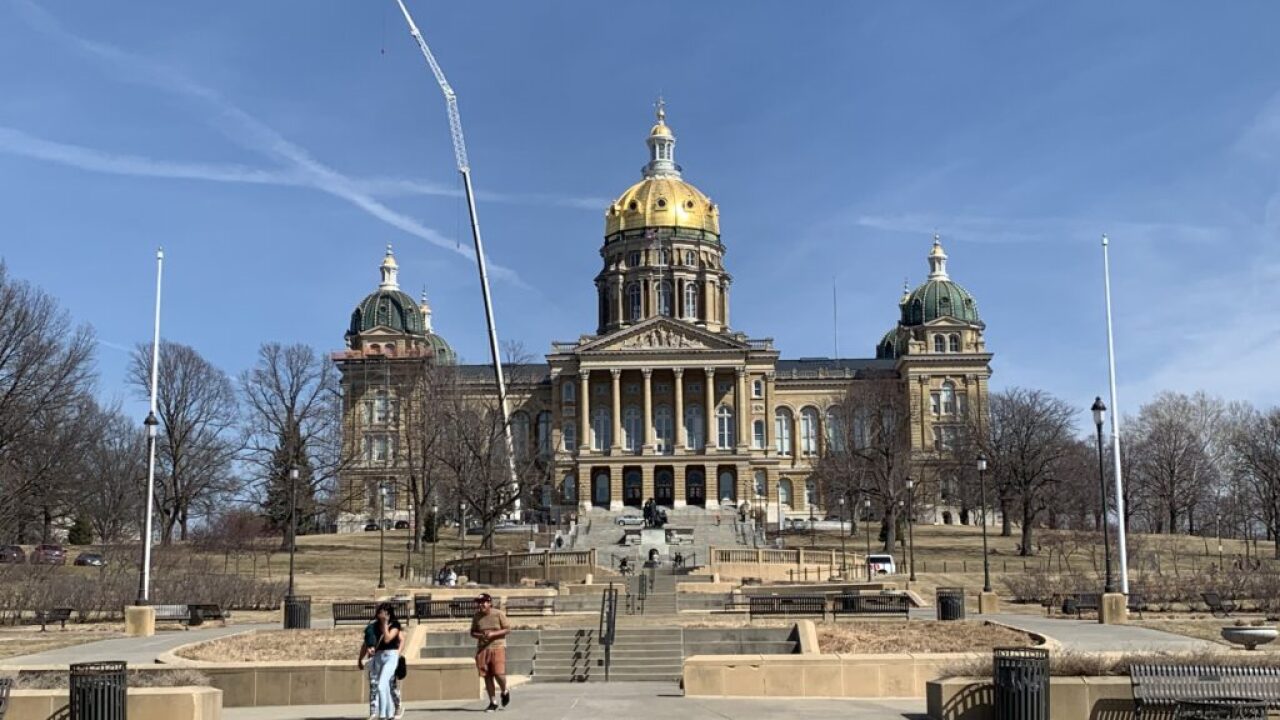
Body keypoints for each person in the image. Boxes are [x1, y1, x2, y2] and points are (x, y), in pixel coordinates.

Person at [357, 602, 402, 720]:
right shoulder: (373, 627)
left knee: (381, 685)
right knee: (385, 687)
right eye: (379, 612)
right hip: (378, 657)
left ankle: (382, 716)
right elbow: (366, 643)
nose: (379, 615)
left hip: (391, 657)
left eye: (382, 612)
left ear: (388, 613)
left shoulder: (395, 624)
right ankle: (389, 714)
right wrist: (360, 659)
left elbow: (387, 639)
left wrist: (385, 624)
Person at [470, 592, 511, 712]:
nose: (480, 605)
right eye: (479, 603)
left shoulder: (498, 614)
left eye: (483, 602)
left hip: (498, 647)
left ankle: (504, 690)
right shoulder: (476, 616)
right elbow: (472, 632)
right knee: (487, 676)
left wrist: (493, 634)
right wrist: (480, 636)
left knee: (499, 673)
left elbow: (508, 629)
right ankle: (493, 702)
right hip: (483, 649)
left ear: (489, 603)